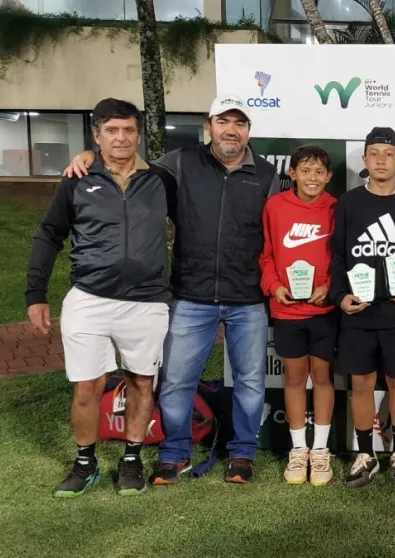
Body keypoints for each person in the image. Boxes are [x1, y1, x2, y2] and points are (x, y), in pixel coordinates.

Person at [65, 95, 281, 485]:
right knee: (178, 379)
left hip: (248, 297)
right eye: (222, 121)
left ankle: (243, 454)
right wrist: (88, 155)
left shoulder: (266, 175)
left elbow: (276, 237)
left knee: (250, 380)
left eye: (239, 123)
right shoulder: (179, 163)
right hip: (190, 295)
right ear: (208, 126)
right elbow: (127, 165)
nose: (231, 130)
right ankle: (174, 454)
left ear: (248, 130)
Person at [27, 98, 170, 497]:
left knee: (142, 381)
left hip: (147, 300)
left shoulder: (160, 178)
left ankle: (131, 460)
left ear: (138, 134)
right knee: (86, 386)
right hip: (89, 299)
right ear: (96, 135)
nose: (121, 137)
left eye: (128, 130)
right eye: (111, 130)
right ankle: (85, 463)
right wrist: (35, 294)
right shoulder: (77, 179)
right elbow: (49, 235)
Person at [329, 127, 395, 488]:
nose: (381, 160)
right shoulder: (347, 203)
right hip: (358, 312)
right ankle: (365, 454)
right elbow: (338, 255)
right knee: (361, 382)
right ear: (364, 160)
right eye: (374, 153)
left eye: (388, 154)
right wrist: (340, 295)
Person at [259, 144, 338, 486]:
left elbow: (345, 257)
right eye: (305, 171)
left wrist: (330, 287)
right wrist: (274, 286)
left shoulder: (336, 208)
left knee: (321, 378)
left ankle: (320, 452)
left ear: (329, 177)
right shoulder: (275, 206)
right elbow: (265, 255)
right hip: (287, 310)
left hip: (324, 310)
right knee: (293, 379)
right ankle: (298, 450)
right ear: (292, 174)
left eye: (319, 172)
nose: (312, 178)